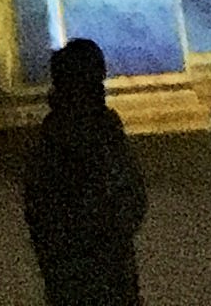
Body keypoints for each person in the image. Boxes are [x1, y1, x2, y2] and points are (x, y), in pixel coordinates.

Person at [21, 36, 150, 306]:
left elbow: (38, 209)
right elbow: (130, 191)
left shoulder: (53, 135)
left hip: (75, 265)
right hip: (97, 262)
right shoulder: (99, 131)